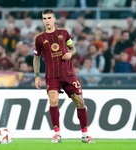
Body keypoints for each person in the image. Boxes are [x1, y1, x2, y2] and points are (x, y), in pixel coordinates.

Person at [33, 9, 95, 143]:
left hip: (68, 74)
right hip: (52, 75)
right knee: (53, 100)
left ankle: (85, 135)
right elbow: (36, 57)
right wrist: (37, 75)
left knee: (79, 101)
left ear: (54, 19)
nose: (47, 21)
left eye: (49, 18)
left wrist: (70, 53)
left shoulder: (64, 33)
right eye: (44, 18)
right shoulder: (39, 38)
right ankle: (57, 134)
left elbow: (73, 48)